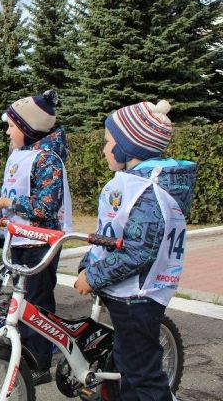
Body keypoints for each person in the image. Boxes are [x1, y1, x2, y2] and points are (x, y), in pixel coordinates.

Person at [75, 101, 196, 400]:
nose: (104, 149)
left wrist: (93, 275)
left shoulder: (146, 190)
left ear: (129, 148)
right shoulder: (138, 184)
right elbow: (110, 235)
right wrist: (87, 262)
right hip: (130, 295)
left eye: (108, 142)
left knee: (143, 376)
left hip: (136, 297)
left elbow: (138, 251)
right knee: (129, 367)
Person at [0, 89, 72, 386]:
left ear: (28, 129)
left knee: (39, 303)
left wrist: (7, 205)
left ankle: (39, 361)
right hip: (19, 240)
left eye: (11, 126)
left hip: (42, 243)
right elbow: (8, 194)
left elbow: (46, 206)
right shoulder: (20, 156)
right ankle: (23, 351)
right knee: (22, 299)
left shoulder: (48, 160)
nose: (6, 131)